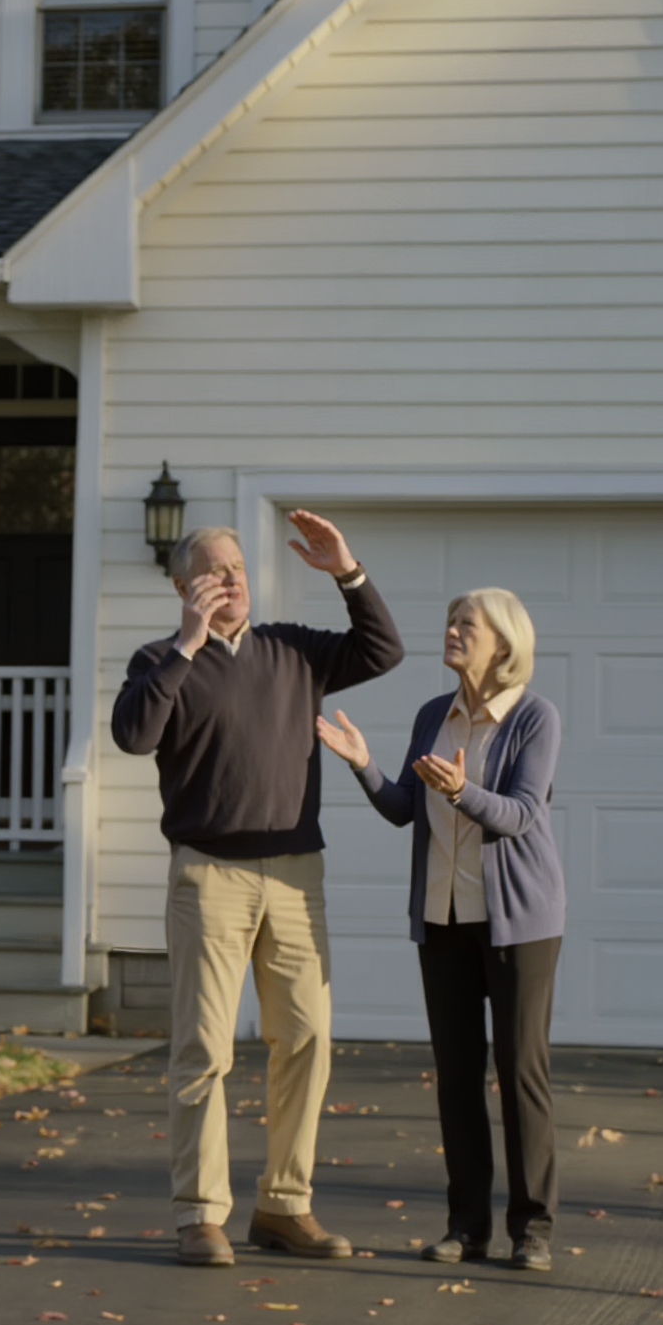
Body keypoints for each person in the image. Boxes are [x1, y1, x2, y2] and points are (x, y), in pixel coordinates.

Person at [112, 517, 403, 1267]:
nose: (231, 580)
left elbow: (382, 650)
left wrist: (348, 572)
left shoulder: (293, 651)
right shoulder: (159, 661)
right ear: (184, 587)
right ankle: (200, 1214)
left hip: (297, 872)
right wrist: (186, 642)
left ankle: (285, 1206)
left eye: (237, 567)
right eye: (212, 571)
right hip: (209, 873)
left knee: (305, 1040)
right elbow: (135, 735)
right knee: (204, 1048)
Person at [317, 587, 564, 1272]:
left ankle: (532, 1230)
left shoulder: (534, 718)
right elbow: (404, 807)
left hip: (521, 923)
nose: (451, 631)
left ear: (503, 645)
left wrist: (460, 792)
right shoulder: (435, 715)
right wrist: (362, 764)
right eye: (450, 621)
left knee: (520, 1073)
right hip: (444, 916)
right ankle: (466, 1227)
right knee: (456, 1076)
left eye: (466, 625)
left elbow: (518, 815)